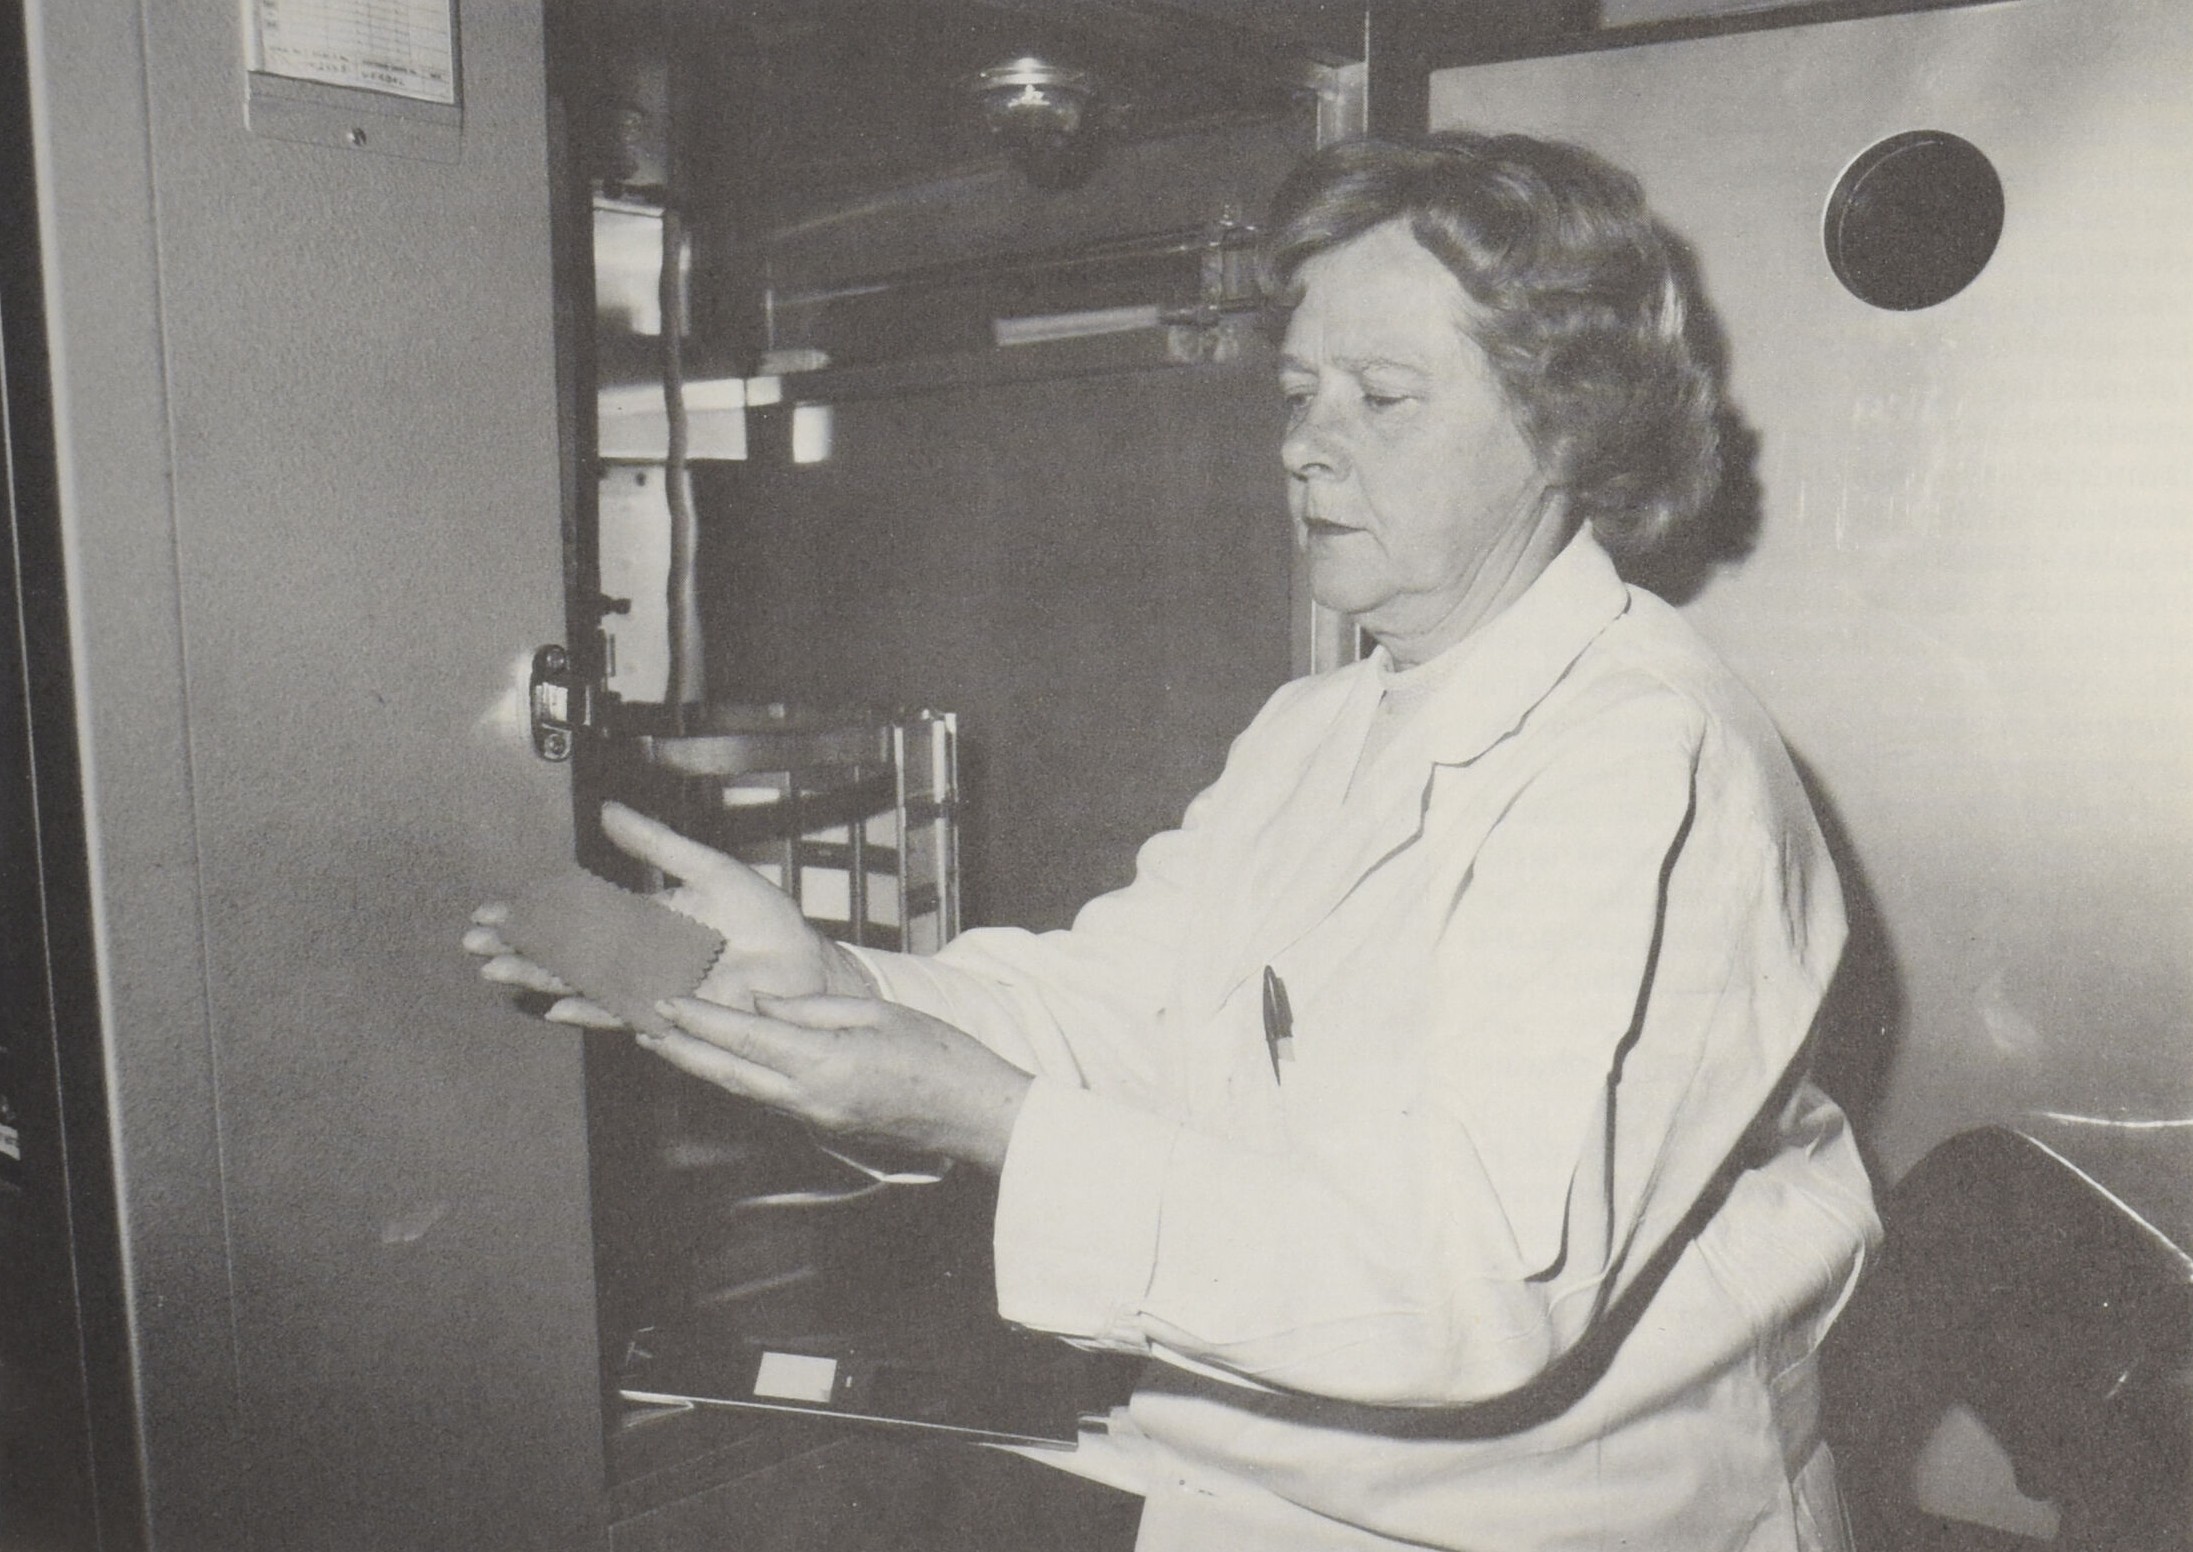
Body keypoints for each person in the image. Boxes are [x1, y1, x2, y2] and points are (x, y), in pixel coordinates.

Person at [471, 131, 1879, 1551]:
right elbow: (1122, 1005)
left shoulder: (1639, 758)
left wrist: (985, 1117)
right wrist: (823, 985)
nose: (1302, 441)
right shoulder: (1325, 725)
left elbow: (1469, 1293)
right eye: (1297, 389)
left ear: (1565, 427)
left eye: (1381, 397)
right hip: (1261, 1489)